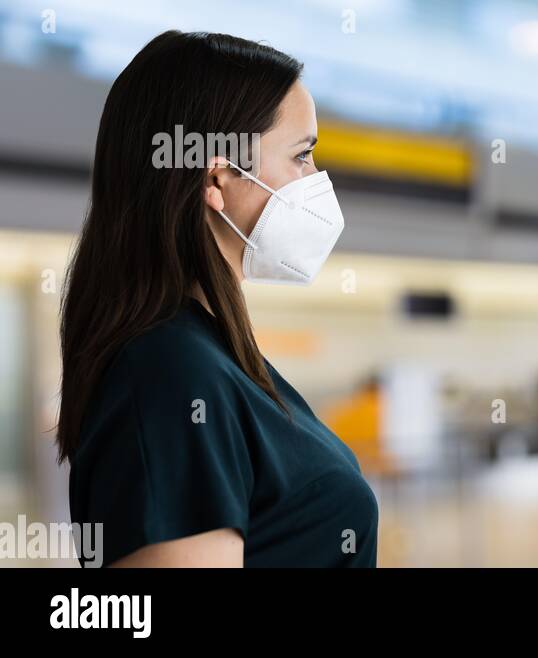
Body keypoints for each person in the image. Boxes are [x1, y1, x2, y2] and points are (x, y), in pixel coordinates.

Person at [59, 31, 377, 567]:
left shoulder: (210, 354)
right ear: (220, 176)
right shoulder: (171, 372)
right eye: (302, 155)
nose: (316, 180)